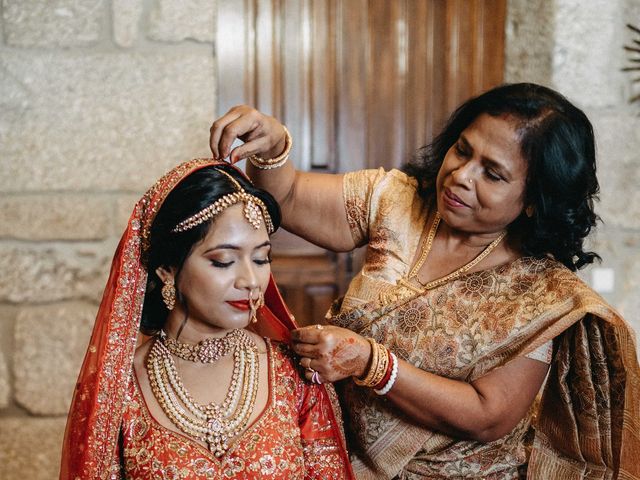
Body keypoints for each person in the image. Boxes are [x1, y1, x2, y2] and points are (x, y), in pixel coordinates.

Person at [209, 83, 640, 479]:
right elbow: (287, 197)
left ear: (533, 200)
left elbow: (489, 415)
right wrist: (274, 147)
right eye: (462, 150)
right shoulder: (397, 202)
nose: (461, 175)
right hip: (338, 459)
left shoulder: (541, 293)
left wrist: (371, 363)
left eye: (492, 173)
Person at [60, 159, 355, 479]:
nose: (251, 280)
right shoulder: (120, 389)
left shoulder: (293, 373)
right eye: (223, 261)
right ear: (168, 270)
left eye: (261, 258)